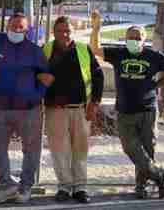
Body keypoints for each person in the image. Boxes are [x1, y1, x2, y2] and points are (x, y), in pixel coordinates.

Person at [90, 12, 164, 199]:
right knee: (131, 148)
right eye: (131, 37)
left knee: (147, 149)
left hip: (148, 109)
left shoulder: (153, 55)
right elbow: (95, 49)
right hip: (124, 111)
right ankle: (160, 173)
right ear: (126, 38)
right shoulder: (118, 53)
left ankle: (142, 186)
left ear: (144, 39)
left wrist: (158, 84)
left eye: (138, 38)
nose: (135, 40)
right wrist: (96, 27)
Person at [0, 12, 53, 204]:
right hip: (1, 107)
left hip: (29, 110)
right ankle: (6, 185)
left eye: (21, 28)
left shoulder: (34, 50)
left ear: (27, 30)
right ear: (7, 26)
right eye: (13, 26)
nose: (16, 30)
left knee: (31, 149)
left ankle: (25, 187)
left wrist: (37, 94)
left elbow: (47, 77)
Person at [42, 16, 104, 204]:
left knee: (80, 149)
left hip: (81, 109)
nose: (64, 34)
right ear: (54, 32)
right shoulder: (45, 50)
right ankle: (64, 187)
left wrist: (94, 103)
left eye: (68, 30)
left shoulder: (83, 49)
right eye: (60, 30)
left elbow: (98, 76)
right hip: (55, 110)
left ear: (72, 31)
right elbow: (35, 73)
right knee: (59, 150)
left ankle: (81, 187)